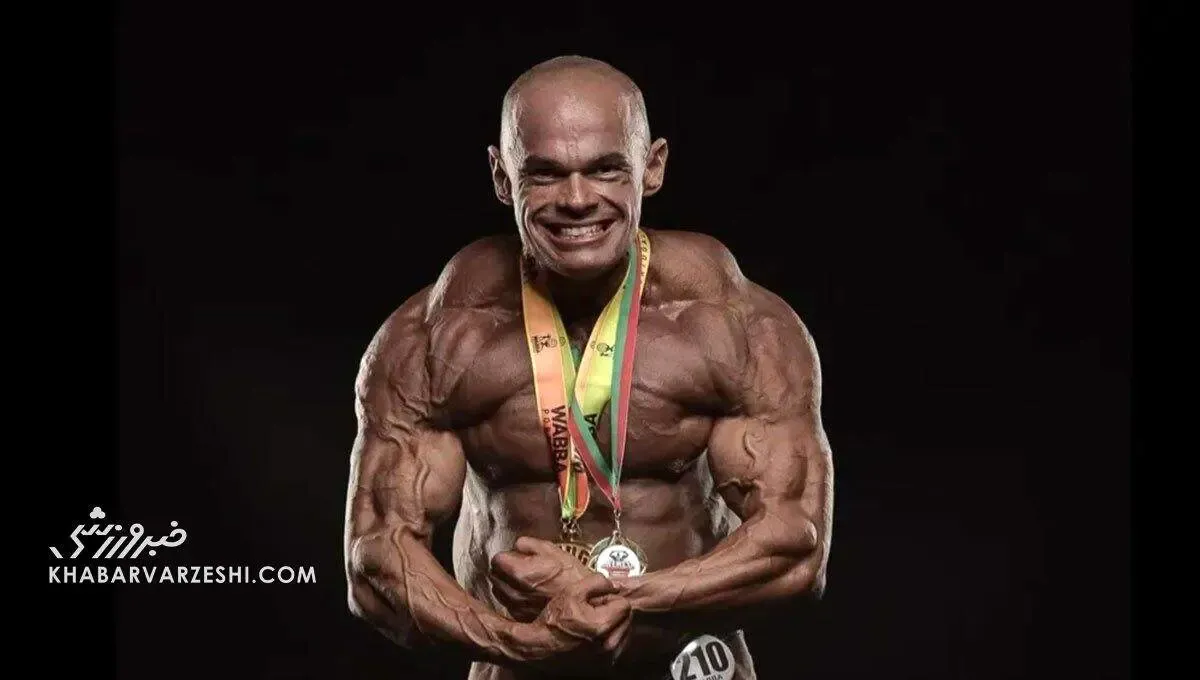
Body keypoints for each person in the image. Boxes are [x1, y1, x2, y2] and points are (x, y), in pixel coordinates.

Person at [343, 55, 834, 680]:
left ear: (651, 167)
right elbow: (375, 562)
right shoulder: (438, 336)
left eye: (605, 169)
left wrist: (621, 601)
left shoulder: (734, 324)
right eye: (545, 174)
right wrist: (523, 644)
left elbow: (796, 547)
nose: (577, 200)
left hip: (687, 665)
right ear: (502, 177)